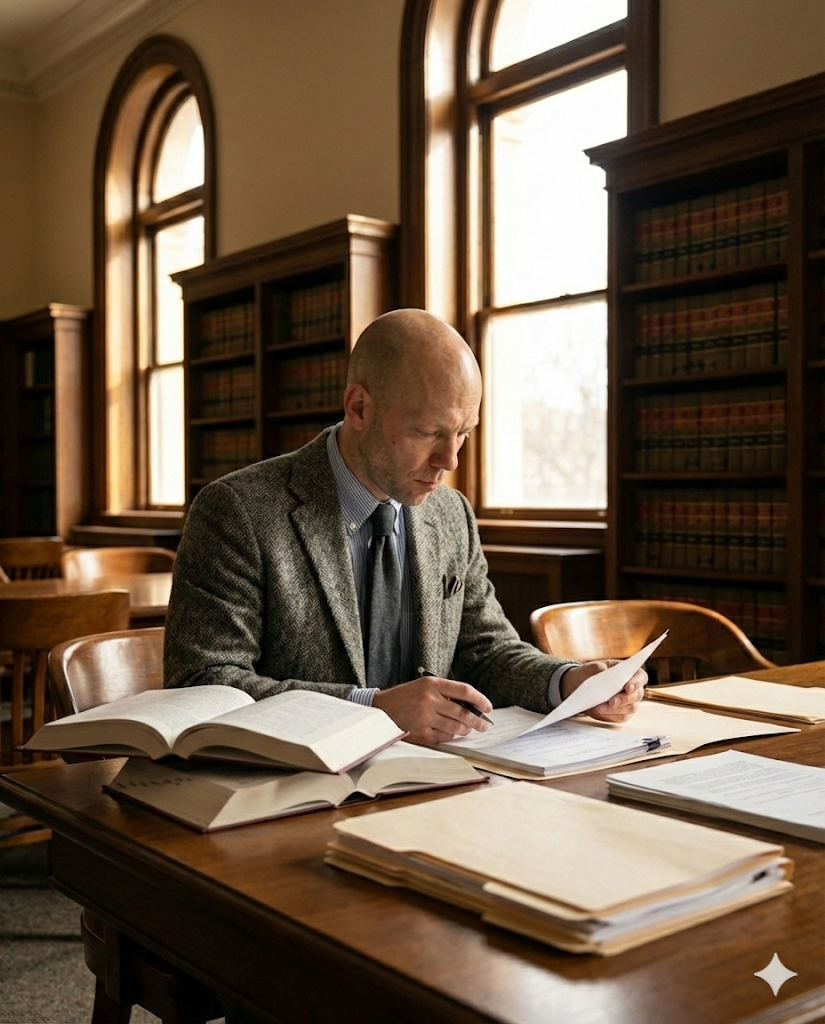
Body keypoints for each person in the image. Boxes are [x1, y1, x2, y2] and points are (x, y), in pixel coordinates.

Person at [164, 308, 645, 741]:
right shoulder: (238, 510)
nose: (450, 459)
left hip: (436, 782)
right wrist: (372, 709)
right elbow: (203, 682)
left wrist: (568, 682)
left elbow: (486, 650)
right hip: (290, 793)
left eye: (463, 434)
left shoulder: (450, 514)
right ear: (359, 408)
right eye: (428, 432)